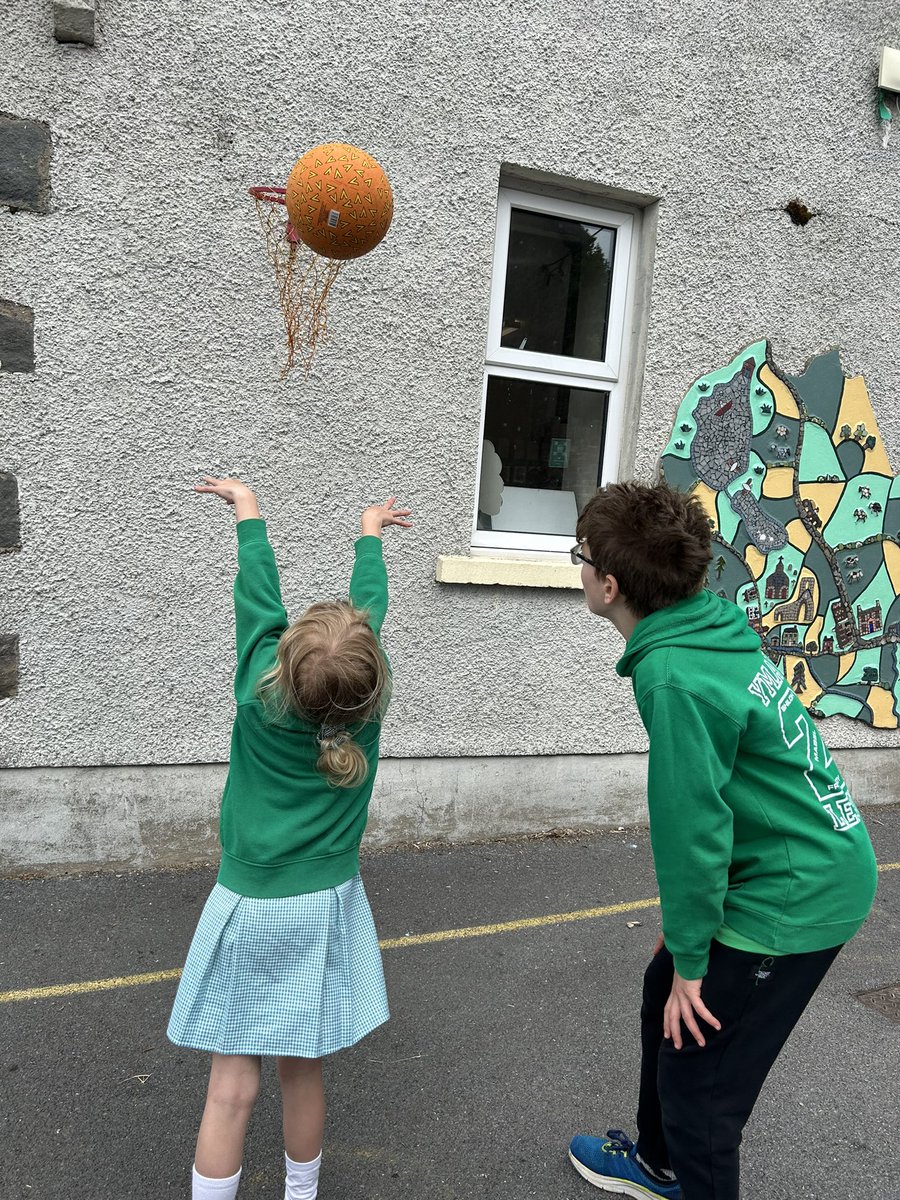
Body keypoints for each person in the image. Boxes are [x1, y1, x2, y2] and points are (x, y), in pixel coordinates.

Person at [566, 480, 877, 1200]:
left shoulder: (674, 677)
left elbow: (693, 830)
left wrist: (696, 955)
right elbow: (718, 812)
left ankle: (683, 1165)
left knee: (702, 1098)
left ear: (610, 586)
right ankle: (656, 1164)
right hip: (789, 862)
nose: (578, 565)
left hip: (798, 890)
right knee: (663, 993)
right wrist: (685, 936)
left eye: (580, 555)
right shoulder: (703, 621)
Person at [167, 477, 411, 1200]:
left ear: (279, 659)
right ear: (372, 679)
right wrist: (369, 533)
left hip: (251, 906)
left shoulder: (255, 692)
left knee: (231, 1086)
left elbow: (257, 598)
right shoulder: (365, 716)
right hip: (325, 907)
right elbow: (370, 613)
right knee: (302, 1069)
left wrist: (249, 511)